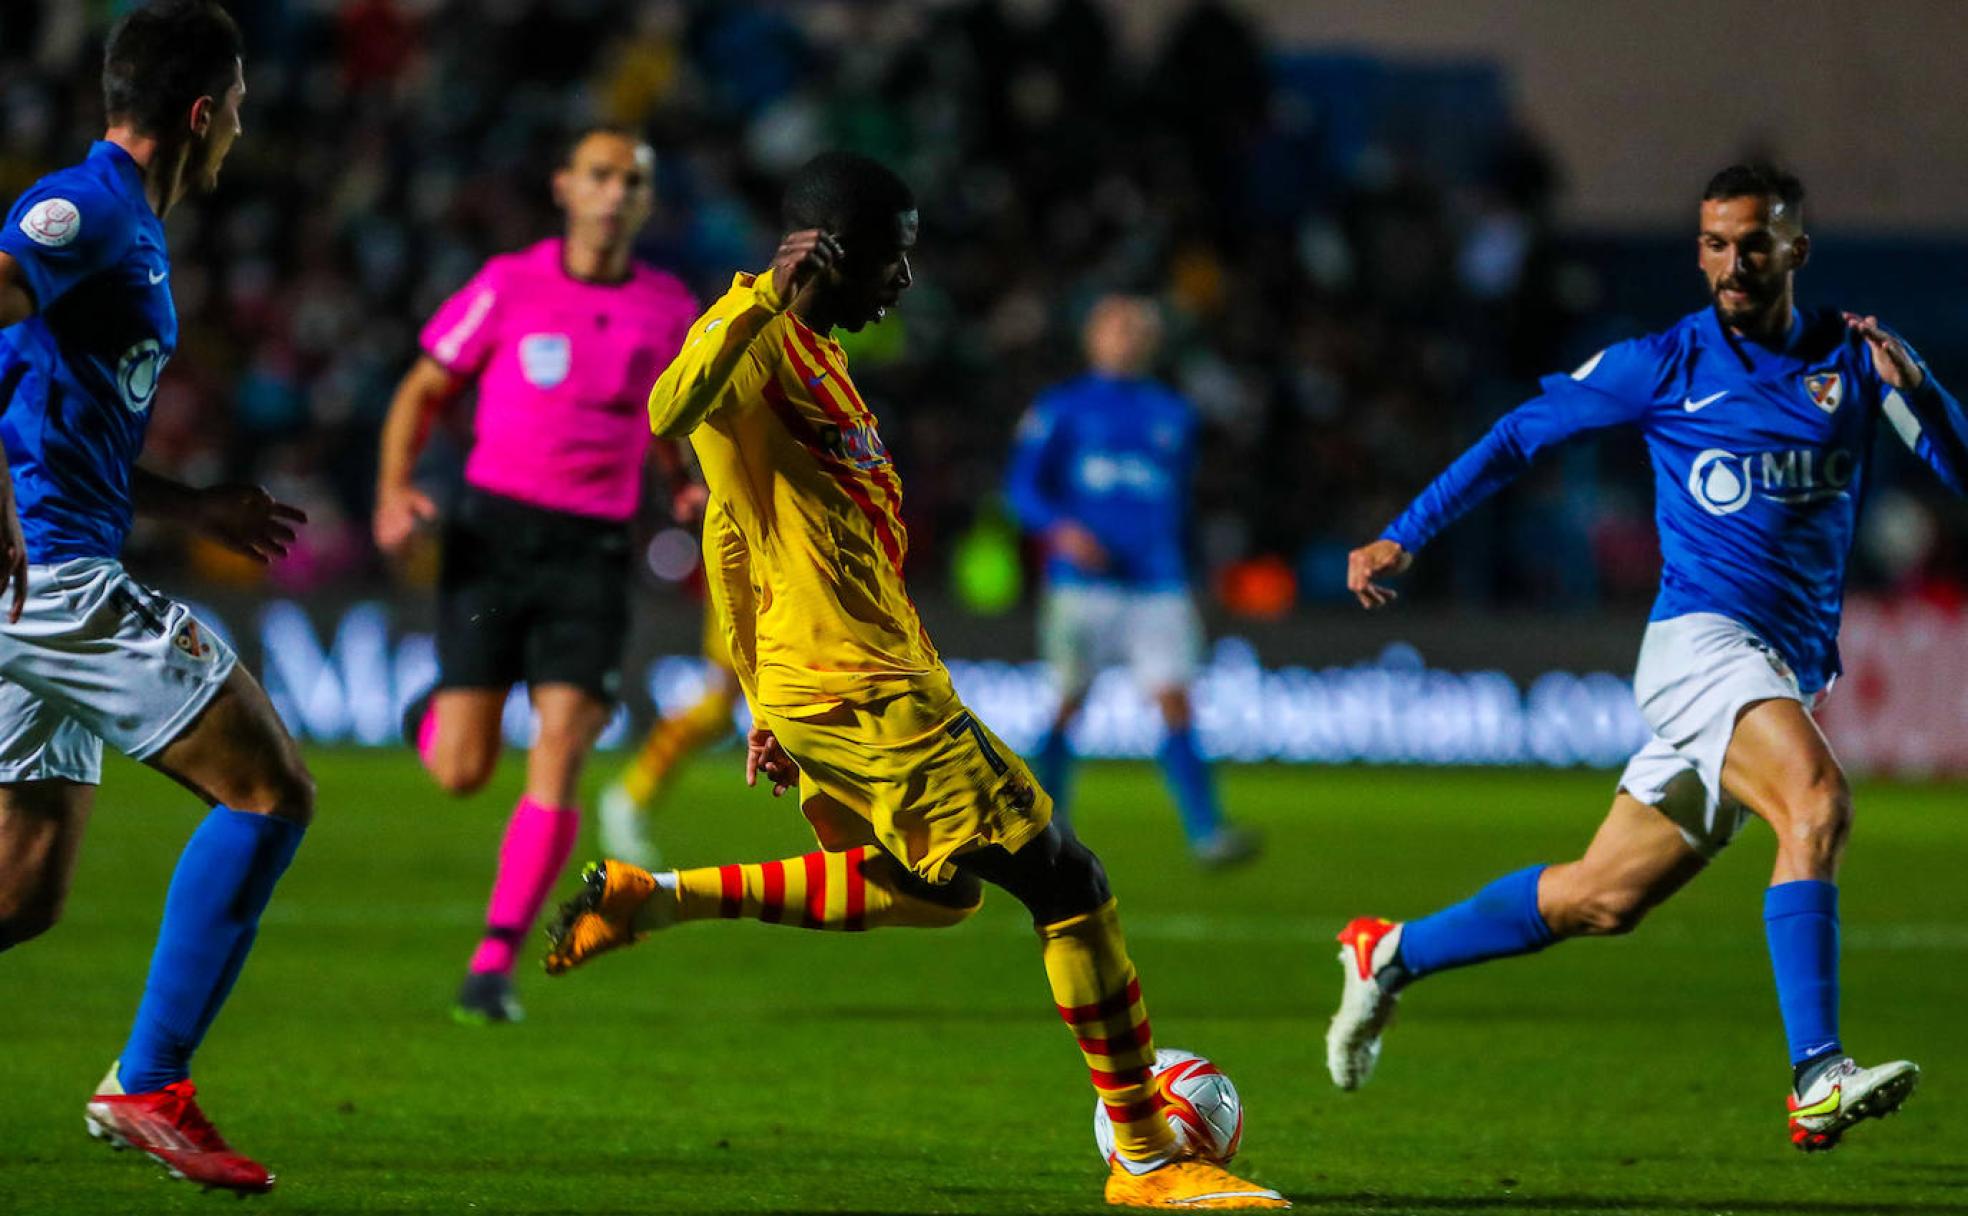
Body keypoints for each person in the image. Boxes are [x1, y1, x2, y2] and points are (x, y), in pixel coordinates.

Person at [543, 151, 1287, 1210]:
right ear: (829, 254)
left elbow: (738, 538)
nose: (902, 280)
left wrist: (764, 700)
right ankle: (1147, 1157)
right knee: (1068, 882)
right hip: (862, 688)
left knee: (933, 891)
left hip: (841, 682)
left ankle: (652, 897)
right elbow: (670, 404)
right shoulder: (755, 340)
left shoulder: (821, 361)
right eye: (892, 257)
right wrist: (764, 290)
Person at [1329, 164, 1962, 1152]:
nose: (1732, 264)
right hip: (1699, 645)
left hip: (1780, 667)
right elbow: (1516, 437)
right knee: (1818, 802)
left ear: (1796, 249)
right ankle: (1817, 1073)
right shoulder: (1664, 363)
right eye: (1715, 243)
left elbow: (1958, 463)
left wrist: (1917, 390)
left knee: (1602, 896)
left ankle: (1388, 952)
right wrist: (1405, 534)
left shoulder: (1855, 357)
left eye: (1754, 243)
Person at [0, 1, 315, 1194]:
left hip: (51, 565)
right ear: (201, 110)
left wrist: (191, 506)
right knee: (269, 789)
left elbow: (59, 416)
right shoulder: (77, 211)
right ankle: (148, 1082)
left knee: (22, 889)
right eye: (237, 101)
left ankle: (147, 1082)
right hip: (51, 576)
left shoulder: (131, 230)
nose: (243, 122)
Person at [372, 125, 697, 1024]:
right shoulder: (509, 284)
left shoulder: (668, 308)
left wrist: (682, 484)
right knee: (462, 772)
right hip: (494, 536)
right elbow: (421, 388)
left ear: (645, 200)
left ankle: (493, 962)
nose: (615, 192)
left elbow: (671, 415)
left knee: (561, 746)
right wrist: (396, 490)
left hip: (592, 549)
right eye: (599, 175)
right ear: (564, 186)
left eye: (632, 180)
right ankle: (434, 721)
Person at [1005, 294, 1258, 867]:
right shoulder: (1062, 408)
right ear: (1093, 338)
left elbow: (1178, 504)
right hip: (1080, 583)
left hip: (1156, 583)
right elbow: (1022, 489)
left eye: (1139, 330)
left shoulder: (1173, 413)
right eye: (1118, 328)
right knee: (1068, 704)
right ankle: (1042, 826)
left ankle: (1207, 833)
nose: (1129, 338)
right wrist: (1061, 531)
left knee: (1176, 702)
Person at [596, 581, 742, 869]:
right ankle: (631, 795)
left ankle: (631, 796)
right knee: (718, 707)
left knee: (721, 709)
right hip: (755, 568)